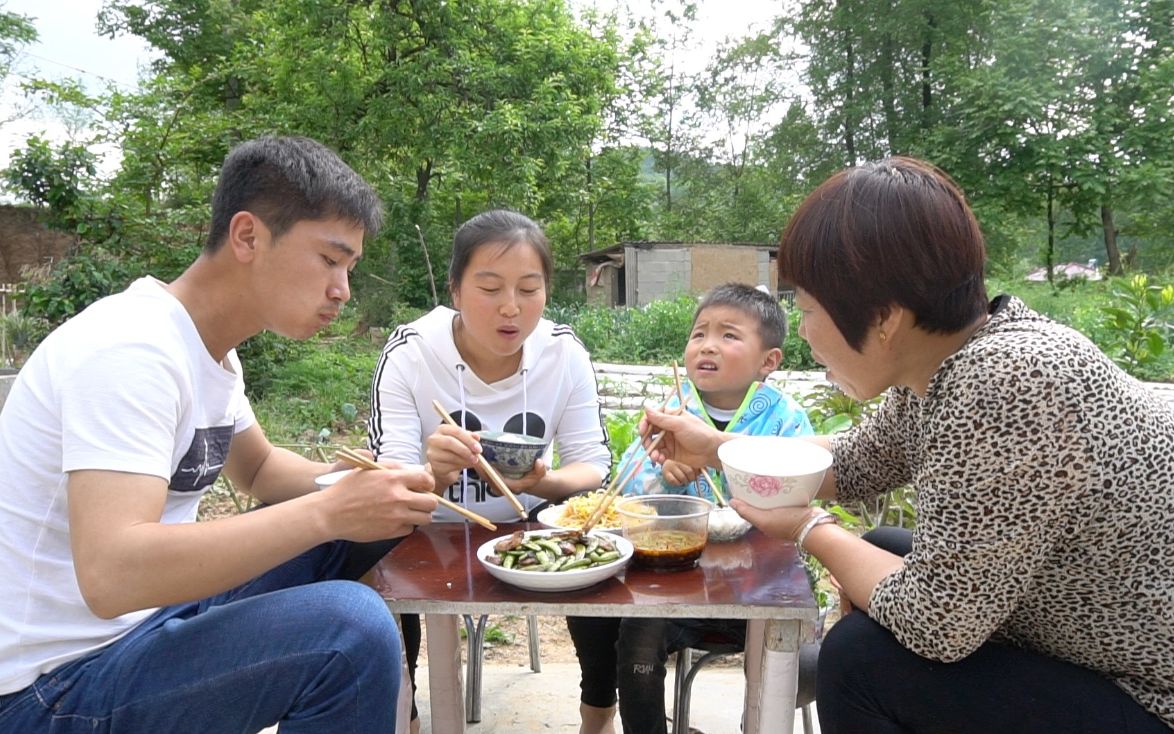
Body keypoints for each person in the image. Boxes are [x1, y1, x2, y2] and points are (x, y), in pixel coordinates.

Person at [639, 157, 1174, 733]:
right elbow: (849, 462)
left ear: (885, 318)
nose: (804, 332)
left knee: (860, 660)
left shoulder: (1006, 381)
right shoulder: (952, 362)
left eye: (809, 310)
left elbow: (937, 622)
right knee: (886, 544)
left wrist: (805, 528)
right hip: (1085, 635)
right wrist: (715, 447)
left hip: (1150, 693)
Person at [0, 136, 440, 733]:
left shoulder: (211, 352)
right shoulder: (131, 349)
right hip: (49, 687)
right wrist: (330, 511)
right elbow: (111, 575)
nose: (342, 289)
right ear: (248, 236)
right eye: (330, 260)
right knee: (348, 628)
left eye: (349, 268)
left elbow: (259, 471)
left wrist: (377, 483)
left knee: (363, 531)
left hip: (141, 629)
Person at [367, 208, 612, 732]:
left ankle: (598, 716)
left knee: (598, 552)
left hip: (529, 522)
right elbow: (386, 477)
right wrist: (432, 475)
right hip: (427, 526)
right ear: (455, 289)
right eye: (489, 288)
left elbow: (594, 464)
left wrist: (544, 481)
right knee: (377, 555)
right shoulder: (410, 353)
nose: (511, 308)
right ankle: (404, 717)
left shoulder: (563, 353)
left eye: (529, 289)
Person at [567, 282, 813, 734]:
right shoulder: (671, 413)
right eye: (699, 333)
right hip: (675, 578)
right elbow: (627, 493)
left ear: (769, 361)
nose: (708, 346)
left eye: (729, 335)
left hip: (757, 586)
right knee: (635, 630)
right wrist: (665, 481)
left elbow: (796, 495)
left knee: (761, 656)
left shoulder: (787, 420)